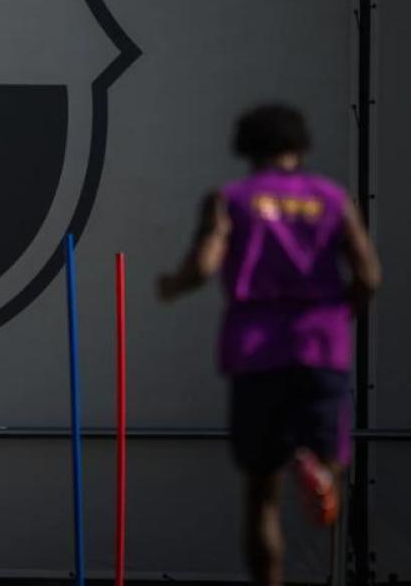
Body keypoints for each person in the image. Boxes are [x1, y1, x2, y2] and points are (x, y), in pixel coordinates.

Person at [158, 103, 380, 586]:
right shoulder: (334, 199)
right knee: (332, 457)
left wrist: (171, 285)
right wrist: (341, 314)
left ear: (245, 147)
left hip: (257, 349)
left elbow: (203, 265)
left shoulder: (230, 199)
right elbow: (369, 274)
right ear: (299, 146)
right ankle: (319, 466)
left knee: (262, 492)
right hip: (321, 344)